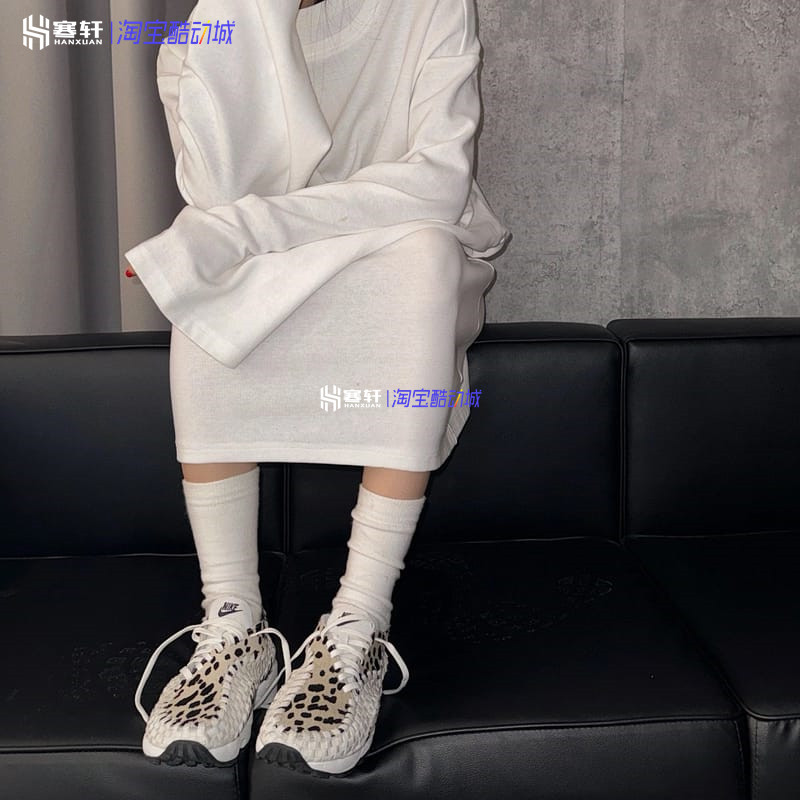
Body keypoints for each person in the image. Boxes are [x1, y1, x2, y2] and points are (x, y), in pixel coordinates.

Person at [126, 0, 510, 777]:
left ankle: (358, 626)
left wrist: (238, 231)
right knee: (206, 297)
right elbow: (214, 191)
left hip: (404, 248)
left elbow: (438, 184)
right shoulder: (217, 23)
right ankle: (233, 623)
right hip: (282, 251)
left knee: (420, 260)